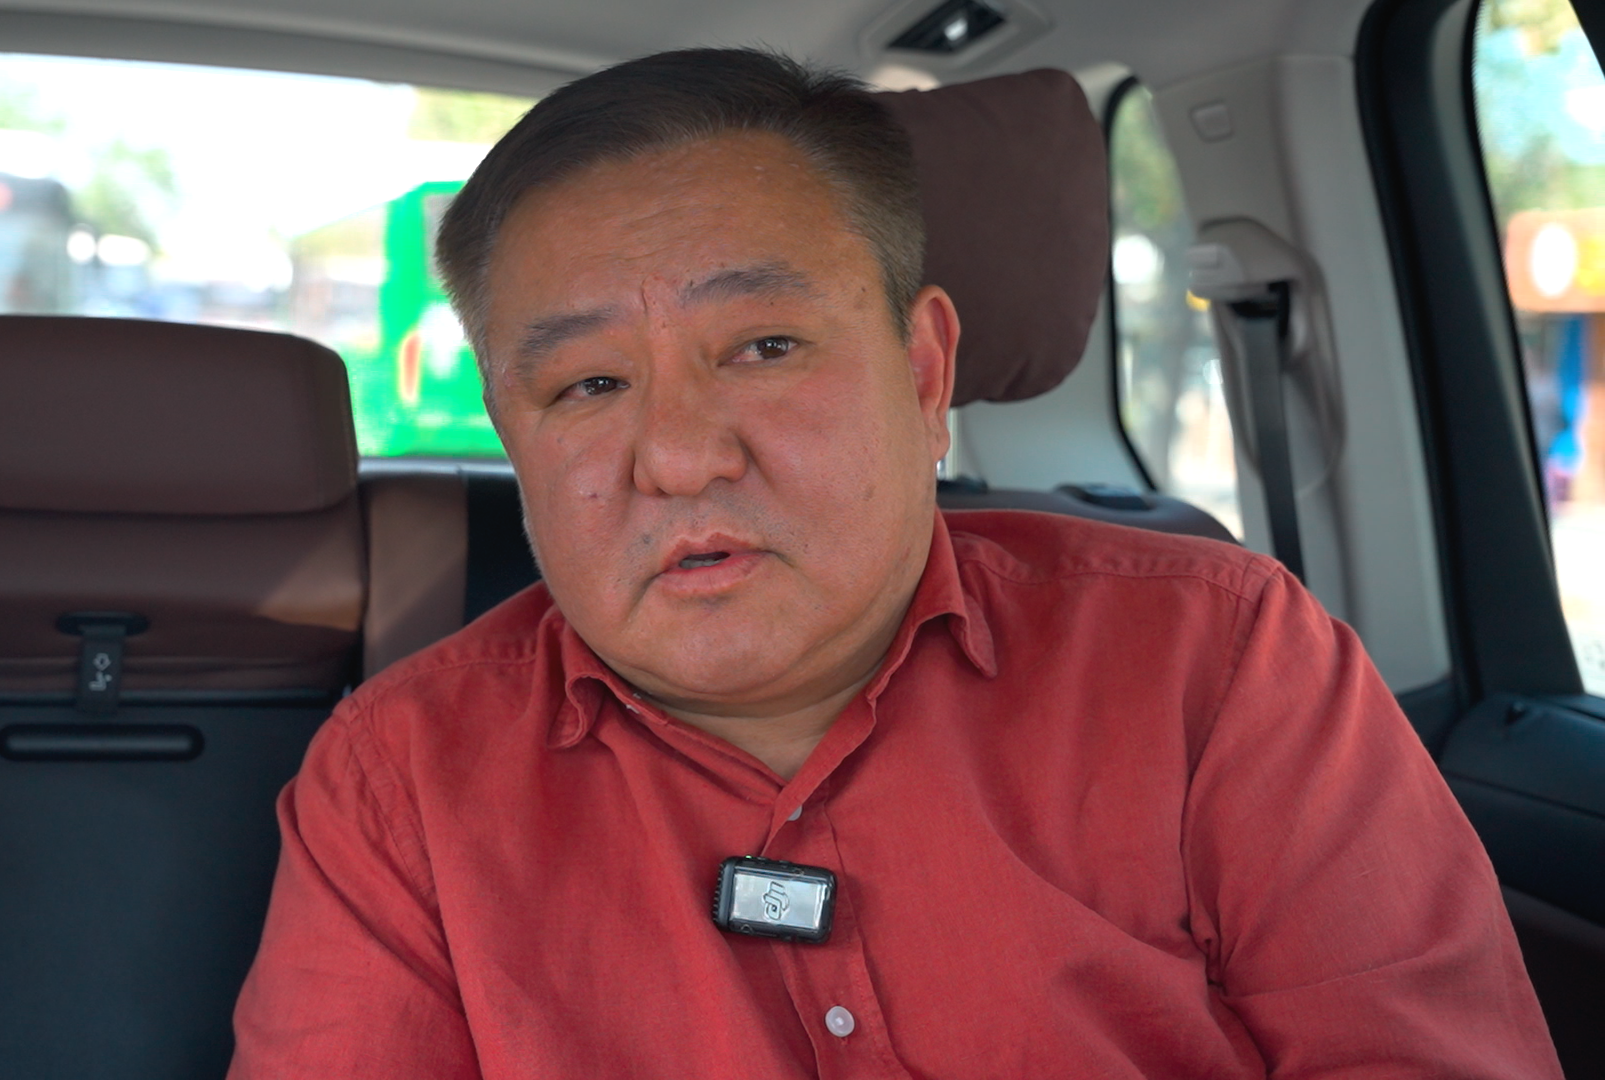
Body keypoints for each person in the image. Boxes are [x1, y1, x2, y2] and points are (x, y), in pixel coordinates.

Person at [228, 48, 1558, 1077]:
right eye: (587, 384)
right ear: (512, 432)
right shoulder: (402, 782)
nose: (678, 458)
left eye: (765, 348)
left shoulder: (1219, 663)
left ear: (924, 375)